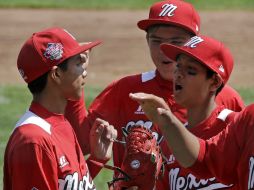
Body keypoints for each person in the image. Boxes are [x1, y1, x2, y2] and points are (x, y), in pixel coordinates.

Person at [65, 0, 244, 189]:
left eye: (176, 42)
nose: (163, 50)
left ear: (194, 43)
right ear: (147, 41)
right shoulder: (127, 91)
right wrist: (72, 84)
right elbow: (83, 142)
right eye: (156, 41)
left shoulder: (225, 99)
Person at [3, 27, 117, 190]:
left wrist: (97, 160)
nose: (84, 72)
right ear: (56, 75)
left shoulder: (59, 124)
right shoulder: (33, 141)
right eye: (78, 63)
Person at [130, 34, 241, 189]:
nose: (178, 75)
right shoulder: (171, 141)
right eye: (178, 66)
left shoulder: (236, 128)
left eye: (190, 70)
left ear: (214, 82)